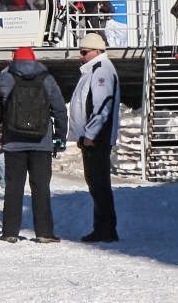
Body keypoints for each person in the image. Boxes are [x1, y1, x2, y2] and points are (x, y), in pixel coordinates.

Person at [0, 46, 66, 243]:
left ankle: (9, 232)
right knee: (41, 187)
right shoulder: (46, 78)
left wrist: (8, 68)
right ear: (35, 59)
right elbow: (59, 108)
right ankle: (44, 232)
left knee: (14, 187)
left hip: (14, 141)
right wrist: (60, 136)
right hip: (42, 141)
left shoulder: (7, 77)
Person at [69, 31, 121, 242]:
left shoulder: (101, 71)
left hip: (97, 138)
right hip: (92, 136)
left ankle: (106, 228)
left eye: (84, 51)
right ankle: (103, 227)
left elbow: (102, 105)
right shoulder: (93, 70)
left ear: (97, 51)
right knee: (95, 183)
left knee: (99, 183)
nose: (81, 55)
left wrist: (90, 133)